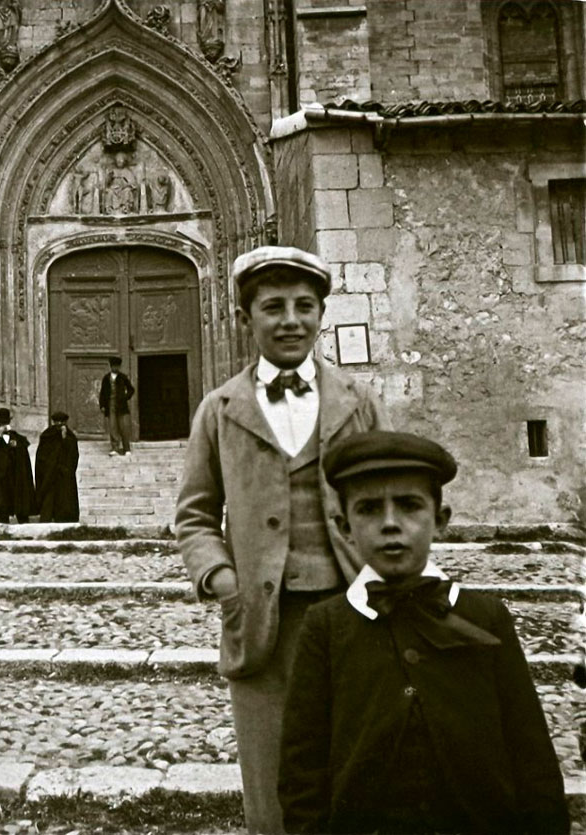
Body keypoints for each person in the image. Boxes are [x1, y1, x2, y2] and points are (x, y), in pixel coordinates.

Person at [175, 245, 391, 834]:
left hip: (352, 613)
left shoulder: (359, 402)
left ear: (321, 313)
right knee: (271, 789)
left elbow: (390, 499)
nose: (290, 320)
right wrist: (224, 584)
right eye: (273, 307)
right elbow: (194, 516)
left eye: (304, 306)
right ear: (246, 320)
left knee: (355, 770)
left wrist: (386, 583)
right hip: (263, 624)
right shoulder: (219, 411)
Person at [278, 430, 570, 834]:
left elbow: (531, 753)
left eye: (410, 505)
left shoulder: (486, 617)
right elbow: (302, 767)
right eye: (369, 509)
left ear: (440, 521)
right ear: (344, 527)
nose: (391, 524)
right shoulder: (325, 626)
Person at [34, 410, 80, 522]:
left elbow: (73, 455)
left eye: (61, 423)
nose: (59, 426)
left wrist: (65, 439)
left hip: (62, 473)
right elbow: (41, 456)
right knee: (50, 498)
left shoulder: (69, 437)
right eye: (57, 423)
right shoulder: (47, 436)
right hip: (51, 474)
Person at [98, 355, 135, 457]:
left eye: (117, 366)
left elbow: (131, 389)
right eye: (114, 366)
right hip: (110, 405)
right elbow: (102, 393)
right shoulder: (106, 378)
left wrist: (125, 397)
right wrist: (102, 405)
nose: (116, 368)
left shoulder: (123, 377)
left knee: (124, 427)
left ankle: (126, 448)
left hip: (122, 405)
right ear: (111, 367)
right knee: (113, 426)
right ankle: (115, 448)